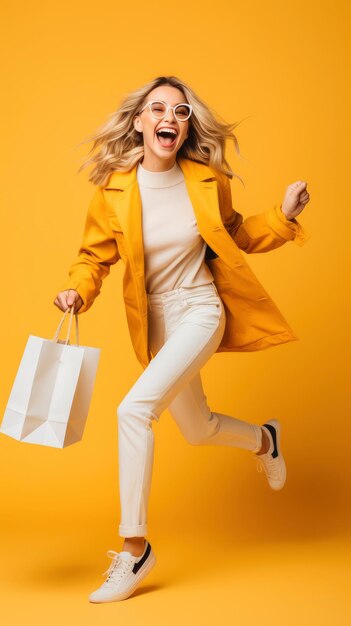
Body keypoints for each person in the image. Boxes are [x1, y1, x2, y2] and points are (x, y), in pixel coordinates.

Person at [53, 75, 311, 603]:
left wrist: (284, 217)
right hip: (156, 324)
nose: (168, 117)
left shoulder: (206, 179)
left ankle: (134, 548)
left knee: (133, 411)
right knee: (199, 428)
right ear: (140, 122)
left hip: (199, 310)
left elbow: (235, 234)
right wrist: (78, 291)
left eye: (180, 111)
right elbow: (93, 257)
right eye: (157, 109)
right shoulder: (115, 189)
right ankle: (266, 439)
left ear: (186, 125)